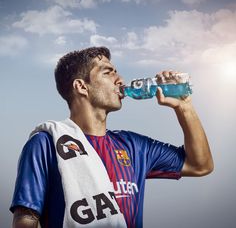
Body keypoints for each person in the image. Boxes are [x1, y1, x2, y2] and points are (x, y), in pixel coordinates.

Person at [10, 46, 213, 228]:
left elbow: (200, 165)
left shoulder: (134, 146)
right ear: (82, 86)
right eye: (108, 72)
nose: (121, 80)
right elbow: (26, 218)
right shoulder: (46, 143)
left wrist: (185, 107)